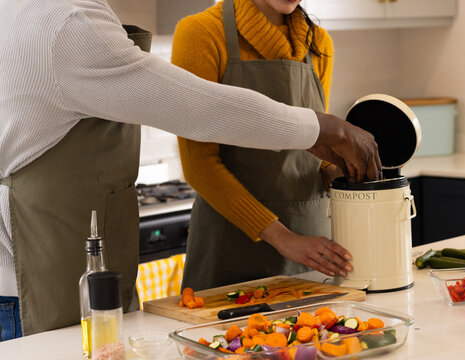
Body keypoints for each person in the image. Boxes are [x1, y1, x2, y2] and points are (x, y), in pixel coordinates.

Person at [0, 0, 381, 339]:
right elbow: (200, 110)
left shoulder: (28, 11)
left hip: (35, 280)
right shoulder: (68, 21)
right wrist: (328, 127)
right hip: (34, 289)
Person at [172, 0, 360, 292]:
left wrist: (341, 173)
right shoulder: (202, 32)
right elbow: (199, 164)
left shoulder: (318, 43)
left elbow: (313, 153)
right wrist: (283, 238)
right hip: (231, 247)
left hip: (313, 249)